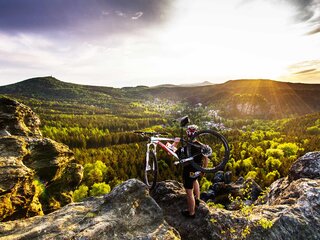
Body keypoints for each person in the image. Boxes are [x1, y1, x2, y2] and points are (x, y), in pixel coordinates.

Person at [174, 124, 208, 218]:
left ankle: (191, 213)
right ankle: (197, 199)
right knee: (195, 181)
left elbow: (172, 152)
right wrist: (203, 169)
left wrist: (175, 143)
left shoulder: (185, 148)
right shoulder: (202, 146)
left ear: (187, 134)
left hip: (188, 172)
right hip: (198, 169)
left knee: (189, 193)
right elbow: (206, 159)